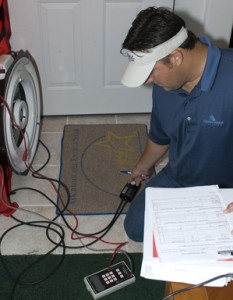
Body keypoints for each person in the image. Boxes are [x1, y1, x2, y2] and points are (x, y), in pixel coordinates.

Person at [120, 7, 233, 242]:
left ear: (176, 57)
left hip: (227, 187)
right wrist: (143, 165)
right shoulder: (166, 87)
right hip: (181, 177)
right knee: (135, 228)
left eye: (151, 73)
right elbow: (160, 135)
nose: (148, 81)